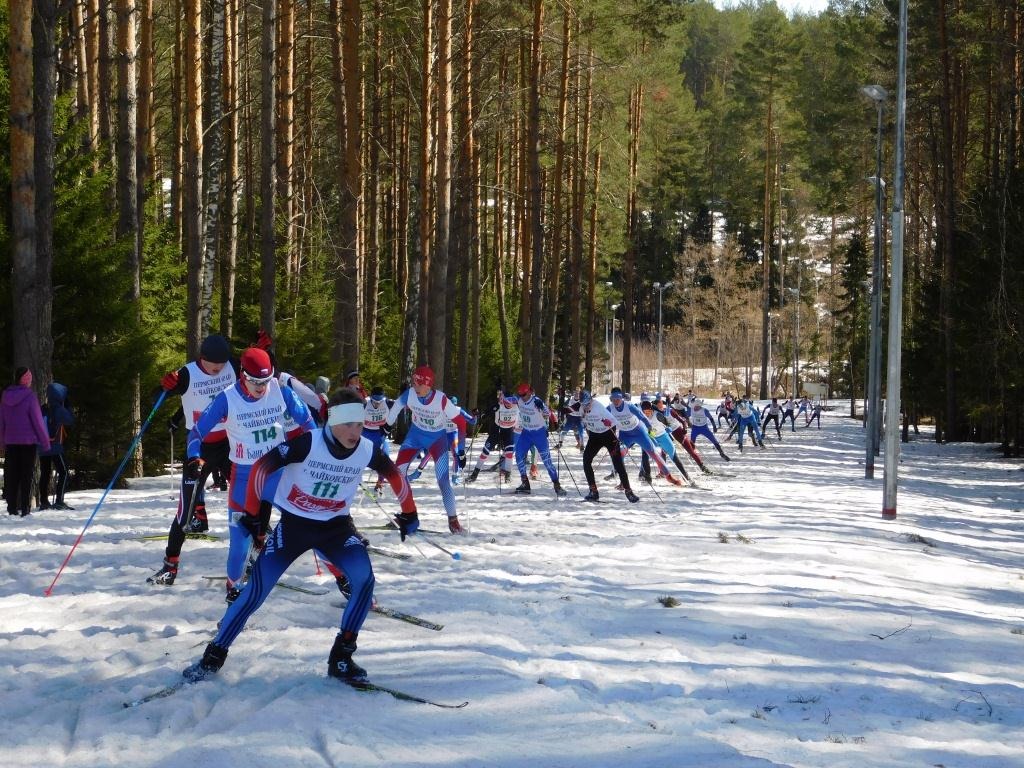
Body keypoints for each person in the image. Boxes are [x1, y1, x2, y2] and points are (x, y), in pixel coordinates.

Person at [182, 387, 420, 684]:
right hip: (295, 526)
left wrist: (409, 513)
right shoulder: (308, 443)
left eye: (359, 425)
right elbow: (258, 468)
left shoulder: (366, 450)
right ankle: (213, 657)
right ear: (332, 421)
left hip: (336, 527)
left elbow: (396, 475)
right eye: (348, 424)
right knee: (256, 590)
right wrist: (255, 516)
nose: (354, 432)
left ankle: (342, 658)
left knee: (364, 581)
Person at [181, 346, 316, 601]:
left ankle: (344, 578)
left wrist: (315, 449)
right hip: (245, 476)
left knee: (313, 519)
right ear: (243, 373)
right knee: (239, 543)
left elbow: (308, 422)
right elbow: (196, 433)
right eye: (255, 381)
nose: (261, 387)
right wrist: (194, 456)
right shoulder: (227, 398)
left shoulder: (281, 390)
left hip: (278, 471)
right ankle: (234, 589)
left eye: (266, 380)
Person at [148, 333, 240, 586]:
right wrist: (165, 386)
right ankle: (170, 566)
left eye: (222, 365)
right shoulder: (187, 374)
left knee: (250, 500)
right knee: (184, 513)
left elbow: (261, 372)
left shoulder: (233, 365)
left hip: (230, 444)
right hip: (198, 448)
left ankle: (255, 555)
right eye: (214, 365)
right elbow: (156, 397)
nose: (218, 370)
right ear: (202, 359)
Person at [387, 365, 468, 532]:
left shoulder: (441, 399)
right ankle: (408, 515)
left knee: (443, 481)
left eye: (418, 384)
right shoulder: (410, 394)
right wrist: (386, 427)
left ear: (428, 385)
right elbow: (395, 408)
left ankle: (453, 521)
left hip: (437, 440)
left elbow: (461, 422)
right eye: (413, 383)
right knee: (398, 473)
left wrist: (460, 450)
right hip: (415, 437)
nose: (414, 386)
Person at [606, 387, 683, 486]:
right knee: (618, 456)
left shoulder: (629, 406)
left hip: (639, 432)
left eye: (618, 398)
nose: (616, 401)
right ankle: (623, 482)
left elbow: (642, 416)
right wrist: (604, 422)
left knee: (654, 454)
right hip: (625, 435)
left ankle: (669, 477)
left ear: (621, 398)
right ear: (611, 399)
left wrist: (649, 427)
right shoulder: (609, 408)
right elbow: (602, 417)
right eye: (614, 399)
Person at [0, 368, 51, 517]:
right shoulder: (30, 397)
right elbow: (37, 421)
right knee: (26, 476)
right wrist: (45, 442)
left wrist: (2, 442)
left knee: (12, 475)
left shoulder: (5, 396)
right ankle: (25, 507)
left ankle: (11, 507)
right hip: (28, 442)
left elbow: (2, 421)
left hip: (11, 442)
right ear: (27, 380)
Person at [577, 390, 638, 503]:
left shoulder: (598, 407)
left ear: (591, 400)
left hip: (609, 435)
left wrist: (608, 422)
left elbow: (615, 421)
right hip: (595, 437)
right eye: (584, 404)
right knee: (586, 460)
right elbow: (584, 421)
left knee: (618, 464)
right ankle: (593, 491)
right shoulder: (582, 409)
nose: (586, 407)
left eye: (588, 404)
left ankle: (629, 491)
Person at [511, 382, 566, 496]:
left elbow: (547, 413)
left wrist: (543, 407)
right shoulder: (519, 399)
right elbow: (507, 400)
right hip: (526, 433)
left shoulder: (536, 401)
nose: (523, 398)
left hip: (539, 433)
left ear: (530, 392)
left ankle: (557, 485)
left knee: (547, 461)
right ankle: (525, 483)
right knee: (518, 456)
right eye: (520, 395)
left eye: (524, 395)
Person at [467, 388, 517, 484]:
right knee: (485, 452)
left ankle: (508, 475)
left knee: (509, 453)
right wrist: (479, 415)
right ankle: (474, 475)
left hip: (508, 432)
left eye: (511, 401)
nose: (509, 403)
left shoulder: (517, 406)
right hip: (496, 431)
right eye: (507, 400)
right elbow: (485, 414)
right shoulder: (498, 406)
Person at [39, 381, 75, 510]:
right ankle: (59, 500)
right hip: (55, 446)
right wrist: (68, 406)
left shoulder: (43, 407)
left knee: (45, 473)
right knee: (64, 472)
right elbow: (70, 420)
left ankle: (44, 501)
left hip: (42, 446)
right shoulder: (59, 409)